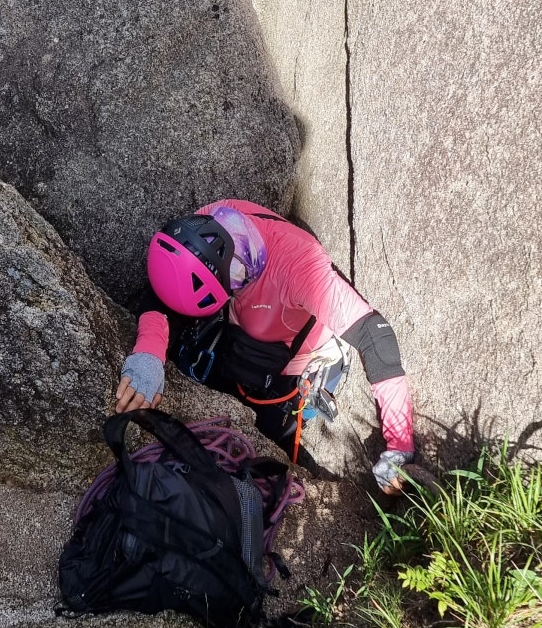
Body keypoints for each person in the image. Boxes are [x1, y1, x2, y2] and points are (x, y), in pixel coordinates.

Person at [114, 200, 414, 492]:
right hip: (242, 329)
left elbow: (375, 335)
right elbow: (163, 294)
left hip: (289, 358)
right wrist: (149, 354)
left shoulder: (299, 270)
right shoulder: (207, 225)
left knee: (266, 441)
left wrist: (399, 445)